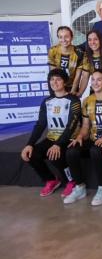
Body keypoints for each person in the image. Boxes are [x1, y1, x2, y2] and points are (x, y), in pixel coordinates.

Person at [20, 69, 80, 198]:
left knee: (55, 155)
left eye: (58, 79)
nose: (54, 82)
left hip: (69, 139)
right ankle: (51, 180)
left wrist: (58, 144)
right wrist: (29, 144)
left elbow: (71, 126)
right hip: (51, 138)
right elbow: (40, 125)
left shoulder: (74, 100)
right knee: (31, 155)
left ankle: (71, 181)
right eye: (52, 79)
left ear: (64, 82)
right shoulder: (47, 102)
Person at [65, 69, 102, 205]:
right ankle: (80, 187)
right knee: (71, 151)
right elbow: (85, 126)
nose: (95, 83)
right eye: (93, 80)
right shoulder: (87, 101)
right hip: (93, 137)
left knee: (96, 150)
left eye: (99, 79)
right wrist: (79, 137)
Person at [78, 30, 102, 97]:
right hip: (95, 89)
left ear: (100, 41)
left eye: (95, 39)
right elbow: (85, 77)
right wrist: (80, 93)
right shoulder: (87, 57)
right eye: (89, 40)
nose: (92, 42)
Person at [48, 26, 84, 96]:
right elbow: (54, 73)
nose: (64, 40)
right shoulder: (52, 51)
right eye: (60, 37)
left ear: (72, 37)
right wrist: (58, 91)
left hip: (72, 84)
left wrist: (73, 91)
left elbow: (78, 75)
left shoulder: (79, 52)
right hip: (57, 83)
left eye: (66, 36)